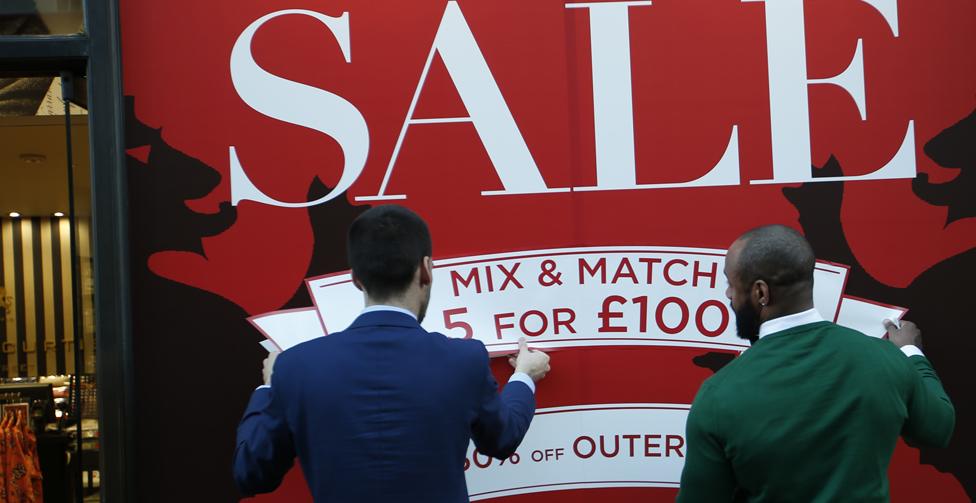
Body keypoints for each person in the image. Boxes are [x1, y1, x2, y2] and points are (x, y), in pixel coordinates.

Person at [232, 204, 550, 502]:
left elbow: (252, 473)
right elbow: (502, 438)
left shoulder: (296, 367)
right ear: (426, 270)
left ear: (356, 278)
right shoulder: (463, 359)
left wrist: (269, 387)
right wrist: (524, 376)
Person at [677, 225, 955, 502]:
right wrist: (910, 352)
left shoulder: (718, 395)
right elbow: (939, 427)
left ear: (761, 293)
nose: (728, 295)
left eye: (731, 284)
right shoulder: (885, 358)